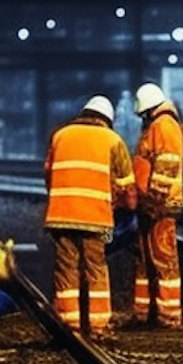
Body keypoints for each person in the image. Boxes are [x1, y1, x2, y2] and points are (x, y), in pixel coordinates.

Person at [43, 94, 136, 335]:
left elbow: (48, 176)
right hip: (95, 217)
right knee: (95, 268)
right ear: (108, 119)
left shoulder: (60, 136)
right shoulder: (113, 141)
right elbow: (128, 190)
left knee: (66, 268)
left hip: (61, 215)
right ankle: (97, 325)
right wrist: (122, 210)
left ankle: (68, 323)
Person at [130, 81, 183, 328]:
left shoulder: (164, 126)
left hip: (159, 206)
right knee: (147, 260)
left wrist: (154, 200)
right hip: (150, 205)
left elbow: (166, 167)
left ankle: (168, 315)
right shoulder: (156, 126)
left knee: (163, 259)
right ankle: (146, 312)